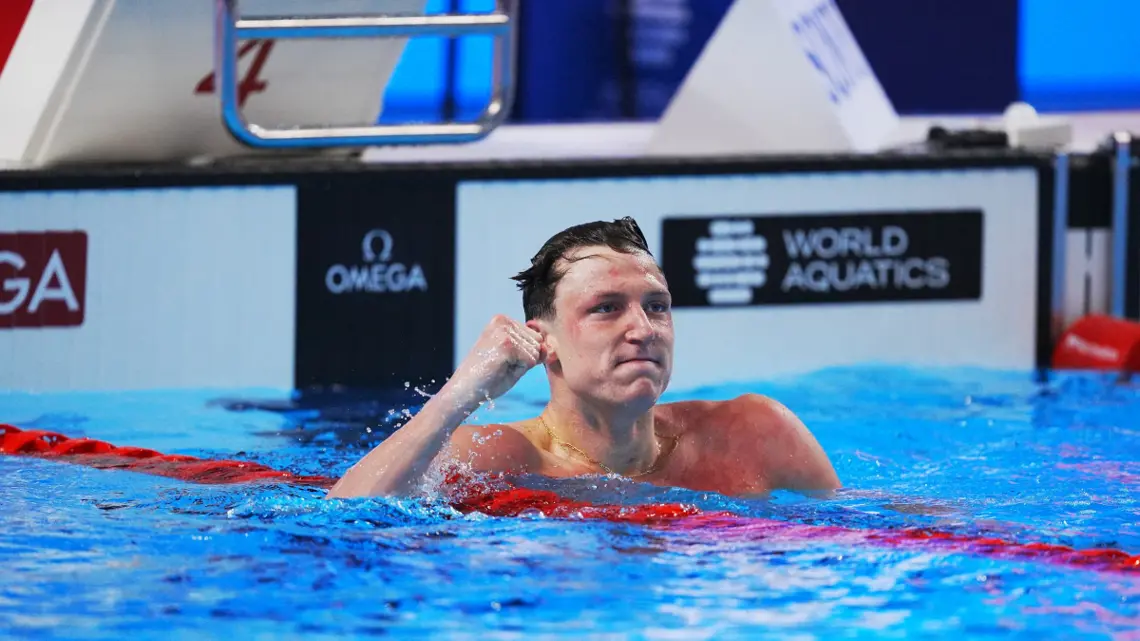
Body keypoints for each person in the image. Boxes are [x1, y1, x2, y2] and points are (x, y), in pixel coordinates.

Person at [325, 217, 840, 500]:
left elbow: (874, 528)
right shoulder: (497, 460)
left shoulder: (754, 432)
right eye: (606, 309)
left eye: (656, 307)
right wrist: (458, 396)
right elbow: (346, 522)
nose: (643, 329)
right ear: (541, 341)